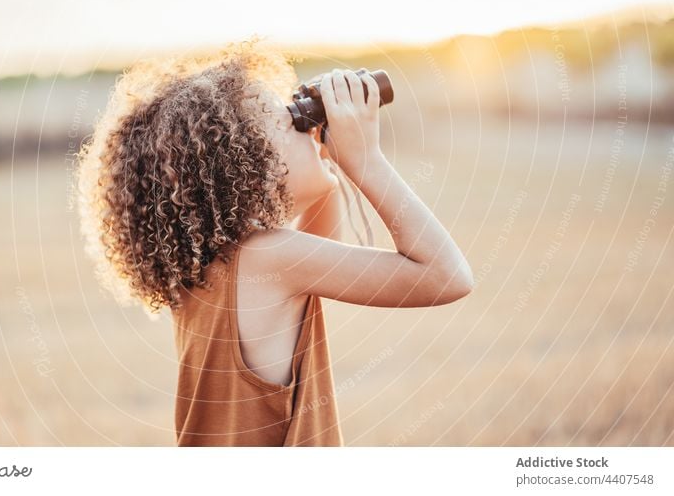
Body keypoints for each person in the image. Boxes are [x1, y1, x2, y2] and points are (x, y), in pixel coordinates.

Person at [75, 37, 474, 447]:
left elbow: (320, 244)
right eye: (291, 121)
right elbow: (447, 276)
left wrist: (326, 151)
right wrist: (366, 158)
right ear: (248, 167)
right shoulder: (269, 259)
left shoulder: (213, 270)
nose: (308, 127)